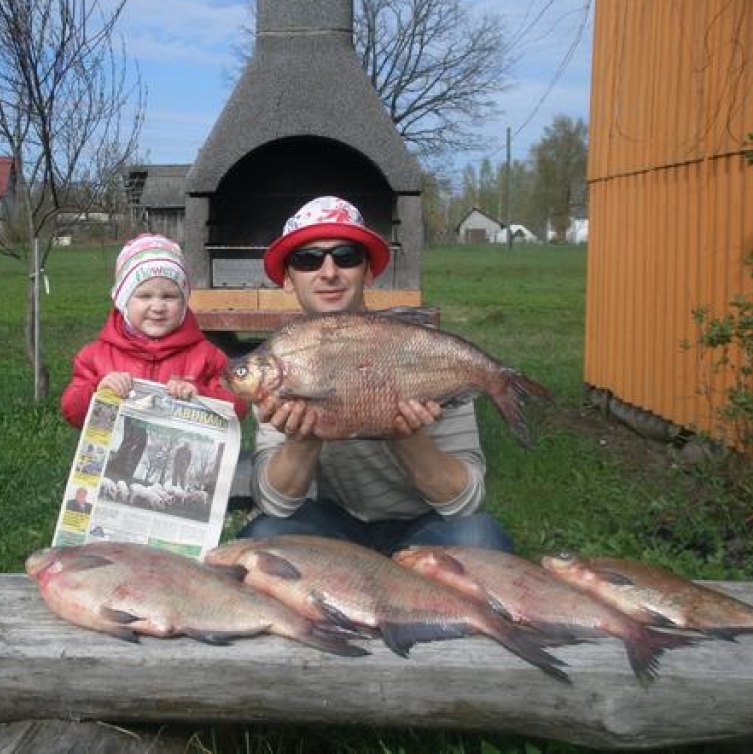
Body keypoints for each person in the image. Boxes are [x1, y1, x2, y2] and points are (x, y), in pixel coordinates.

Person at [239, 196, 514, 555]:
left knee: (482, 539)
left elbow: (465, 504)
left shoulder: (423, 349)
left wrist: (407, 436)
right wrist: (302, 439)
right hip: (333, 522)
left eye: (346, 256)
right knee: (260, 538)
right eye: (307, 260)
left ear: (368, 271)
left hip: (424, 524)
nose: (328, 272)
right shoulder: (283, 361)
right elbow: (277, 507)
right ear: (288, 280)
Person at [61, 233, 248, 429]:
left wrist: (200, 394)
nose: (158, 307)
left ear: (184, 302)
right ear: (123, 301)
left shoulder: (208, 356)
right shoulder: (94, 357)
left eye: (169, 296)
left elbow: (239, 406)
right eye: (145, 296)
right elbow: (71, 412)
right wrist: (98, 388)